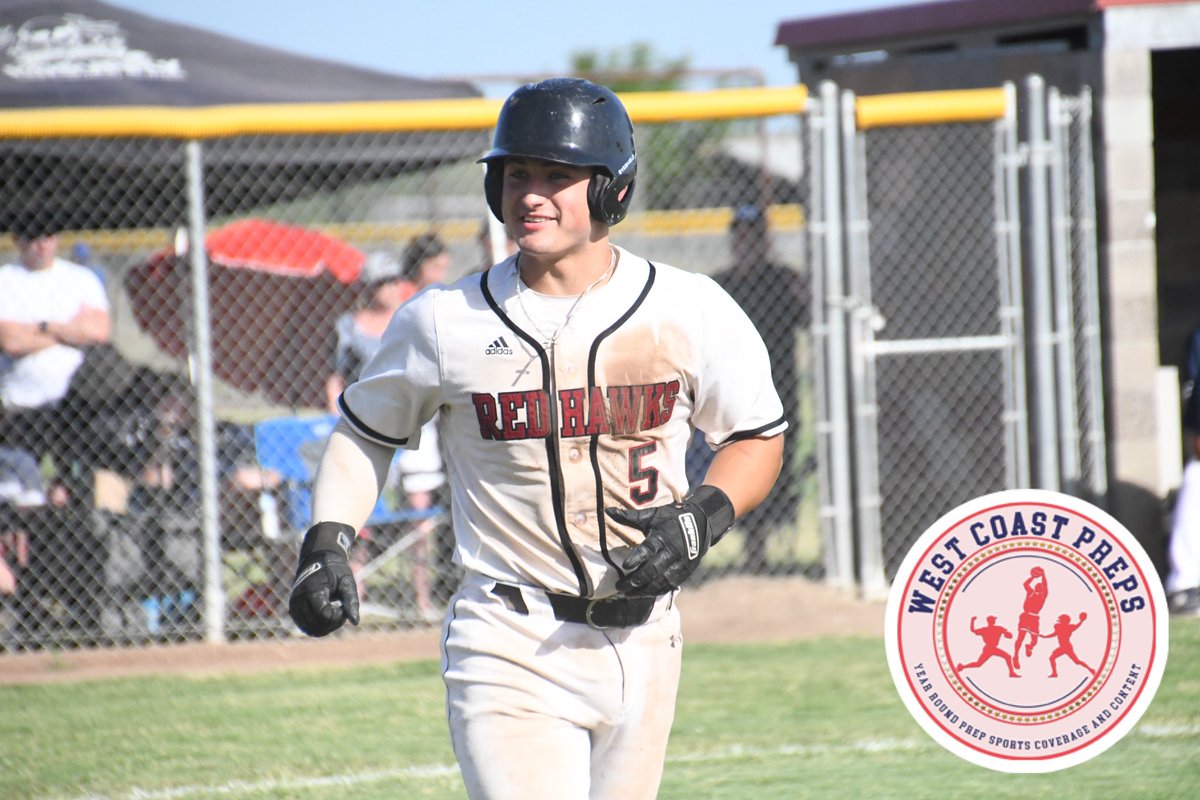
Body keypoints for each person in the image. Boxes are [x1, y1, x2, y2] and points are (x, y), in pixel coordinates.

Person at [288, 77, 786, 799]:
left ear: (612, 189)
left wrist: (701, 517)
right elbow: (365, 434)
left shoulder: (690, 308)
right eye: (517, 173)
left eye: (558, 175)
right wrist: (327, 543)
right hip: (510, 636)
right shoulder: (443, 320)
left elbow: (756, 437)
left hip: (647, 640)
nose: (531, 194)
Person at [324, 235, 450, 619]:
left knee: (420, 515)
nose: (391, 288)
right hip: (369, 425)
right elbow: (335, 379)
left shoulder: (413, 315)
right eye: (382, 282)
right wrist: (337, 418)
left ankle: (421, 598)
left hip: (417, 423)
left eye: (395, 280)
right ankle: (354, 595)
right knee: (363, 514)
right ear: (368, 286)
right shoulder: (349, 326)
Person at [702, 202, 810, 572]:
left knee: (778, 465)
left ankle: (766, 549)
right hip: (731, 396)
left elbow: (811, 321)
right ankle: (748, 547)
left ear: (766, 243)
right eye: (740, 237)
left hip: (782, 393)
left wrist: (805, 294)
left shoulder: (783, 279)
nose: (746, 245)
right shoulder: (722, 286)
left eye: (754, 238)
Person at [0, 214, 111, 470]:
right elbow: (10, 341)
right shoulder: (5, 280)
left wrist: (43, 328)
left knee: (74, 480)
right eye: (33, 237)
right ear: (17, 239)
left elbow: (99, 331)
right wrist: (70, 333)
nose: (41, 244)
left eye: (48, 235)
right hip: (22, 403)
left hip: (77, 403)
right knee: (25, 482)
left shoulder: (81, 279)